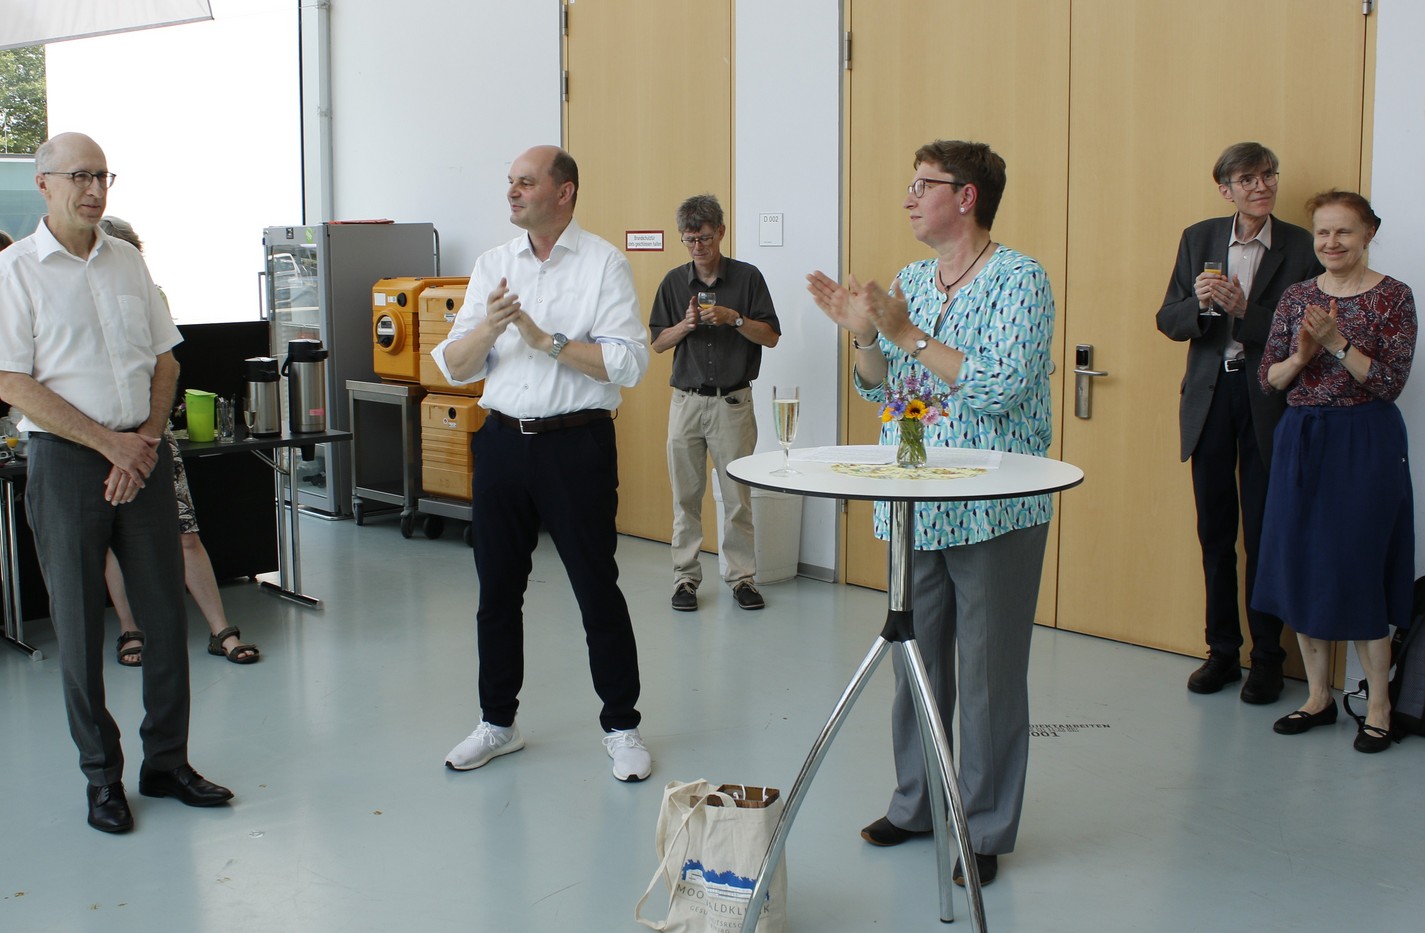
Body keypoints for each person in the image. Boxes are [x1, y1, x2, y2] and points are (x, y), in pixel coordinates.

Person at [806, 140, 1054, 887]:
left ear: (967, 195)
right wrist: (861, 333)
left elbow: (999, 386)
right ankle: (918, 801)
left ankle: (982, 825)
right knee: (912, 658)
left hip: (992, 506)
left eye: (924, 185)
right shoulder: (912, 277)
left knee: (987, 673)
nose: (909, 197)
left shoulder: (1021, 279)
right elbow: (883, 390)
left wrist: (905, 331)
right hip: (916, 499)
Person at [0, 132, 233, 833]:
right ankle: (102, 778)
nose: (94, 189)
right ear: (43, 184)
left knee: (164, 613)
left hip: (143, 454)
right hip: (66, 460)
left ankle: (167, 761)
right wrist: (109, 444)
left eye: (102, 175)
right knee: (81, 623)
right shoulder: (16, 272)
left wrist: (143, 440)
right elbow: (12, 381)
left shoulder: (127, 262)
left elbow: (166, 361)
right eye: (78, 176)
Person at [431, 145, 653, 781]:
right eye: (509, 183)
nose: (512, 193)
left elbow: (629, 364)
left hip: (574, 445)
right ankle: (497, 723)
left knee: (595, 588)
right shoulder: (493, 265)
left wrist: (545, 341)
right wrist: (491, 327)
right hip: (501, 442)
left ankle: (622, 726)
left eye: (526, 183)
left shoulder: (604, 262)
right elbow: (455, 363)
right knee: (496, 591)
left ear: (565, 192)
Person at [1156, 142, 1322, 704]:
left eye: (1268, 175)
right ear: (1225, 189)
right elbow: (1169, 319)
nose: (1262, 186)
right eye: (1247, 179)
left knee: (1265, 532)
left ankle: (1268, 659)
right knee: (1215, 533)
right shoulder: (1199, 237)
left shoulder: (1301, 246)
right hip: (1210, 397)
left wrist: (1244, 311)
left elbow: (1310, 331)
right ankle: (1222, 652)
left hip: (1269, 398)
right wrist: (1202, 306)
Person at [1255, 190, 1416, 753]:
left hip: (1365, 438)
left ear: (1368, 233)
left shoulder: (1394, 297)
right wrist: (1301, 356)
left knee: (1360, 564)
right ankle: (1318, 697)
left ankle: (1379, 706)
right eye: (1322, 233)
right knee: (1301, 561)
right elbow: (1269, 380)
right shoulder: (1297, 295)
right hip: (1302, 436)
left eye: (1343, 232)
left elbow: (1390, 382)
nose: (1331, 243)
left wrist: (1337, 342)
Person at [94, 216, 258, 666]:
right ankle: (130, 628)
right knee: (110, 536)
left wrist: (149, 433)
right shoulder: (78, 294)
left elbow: (166, 364)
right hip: (98, 434)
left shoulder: (150, 295)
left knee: (185, 533)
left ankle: (220, 629)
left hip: (151, 431)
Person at [648, 194, 781, 613]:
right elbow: (657, 343)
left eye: (705, 237)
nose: (698, 247)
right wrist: (685, 325)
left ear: (721, 232)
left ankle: (742, 578)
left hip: (733, 404)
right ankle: (685, 579)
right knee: (685, 497)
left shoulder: (747, 278)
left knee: (737, 497)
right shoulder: (673, 282)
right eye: (690, 239)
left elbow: (772, 336)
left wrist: (734, 318)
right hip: (686, 403)